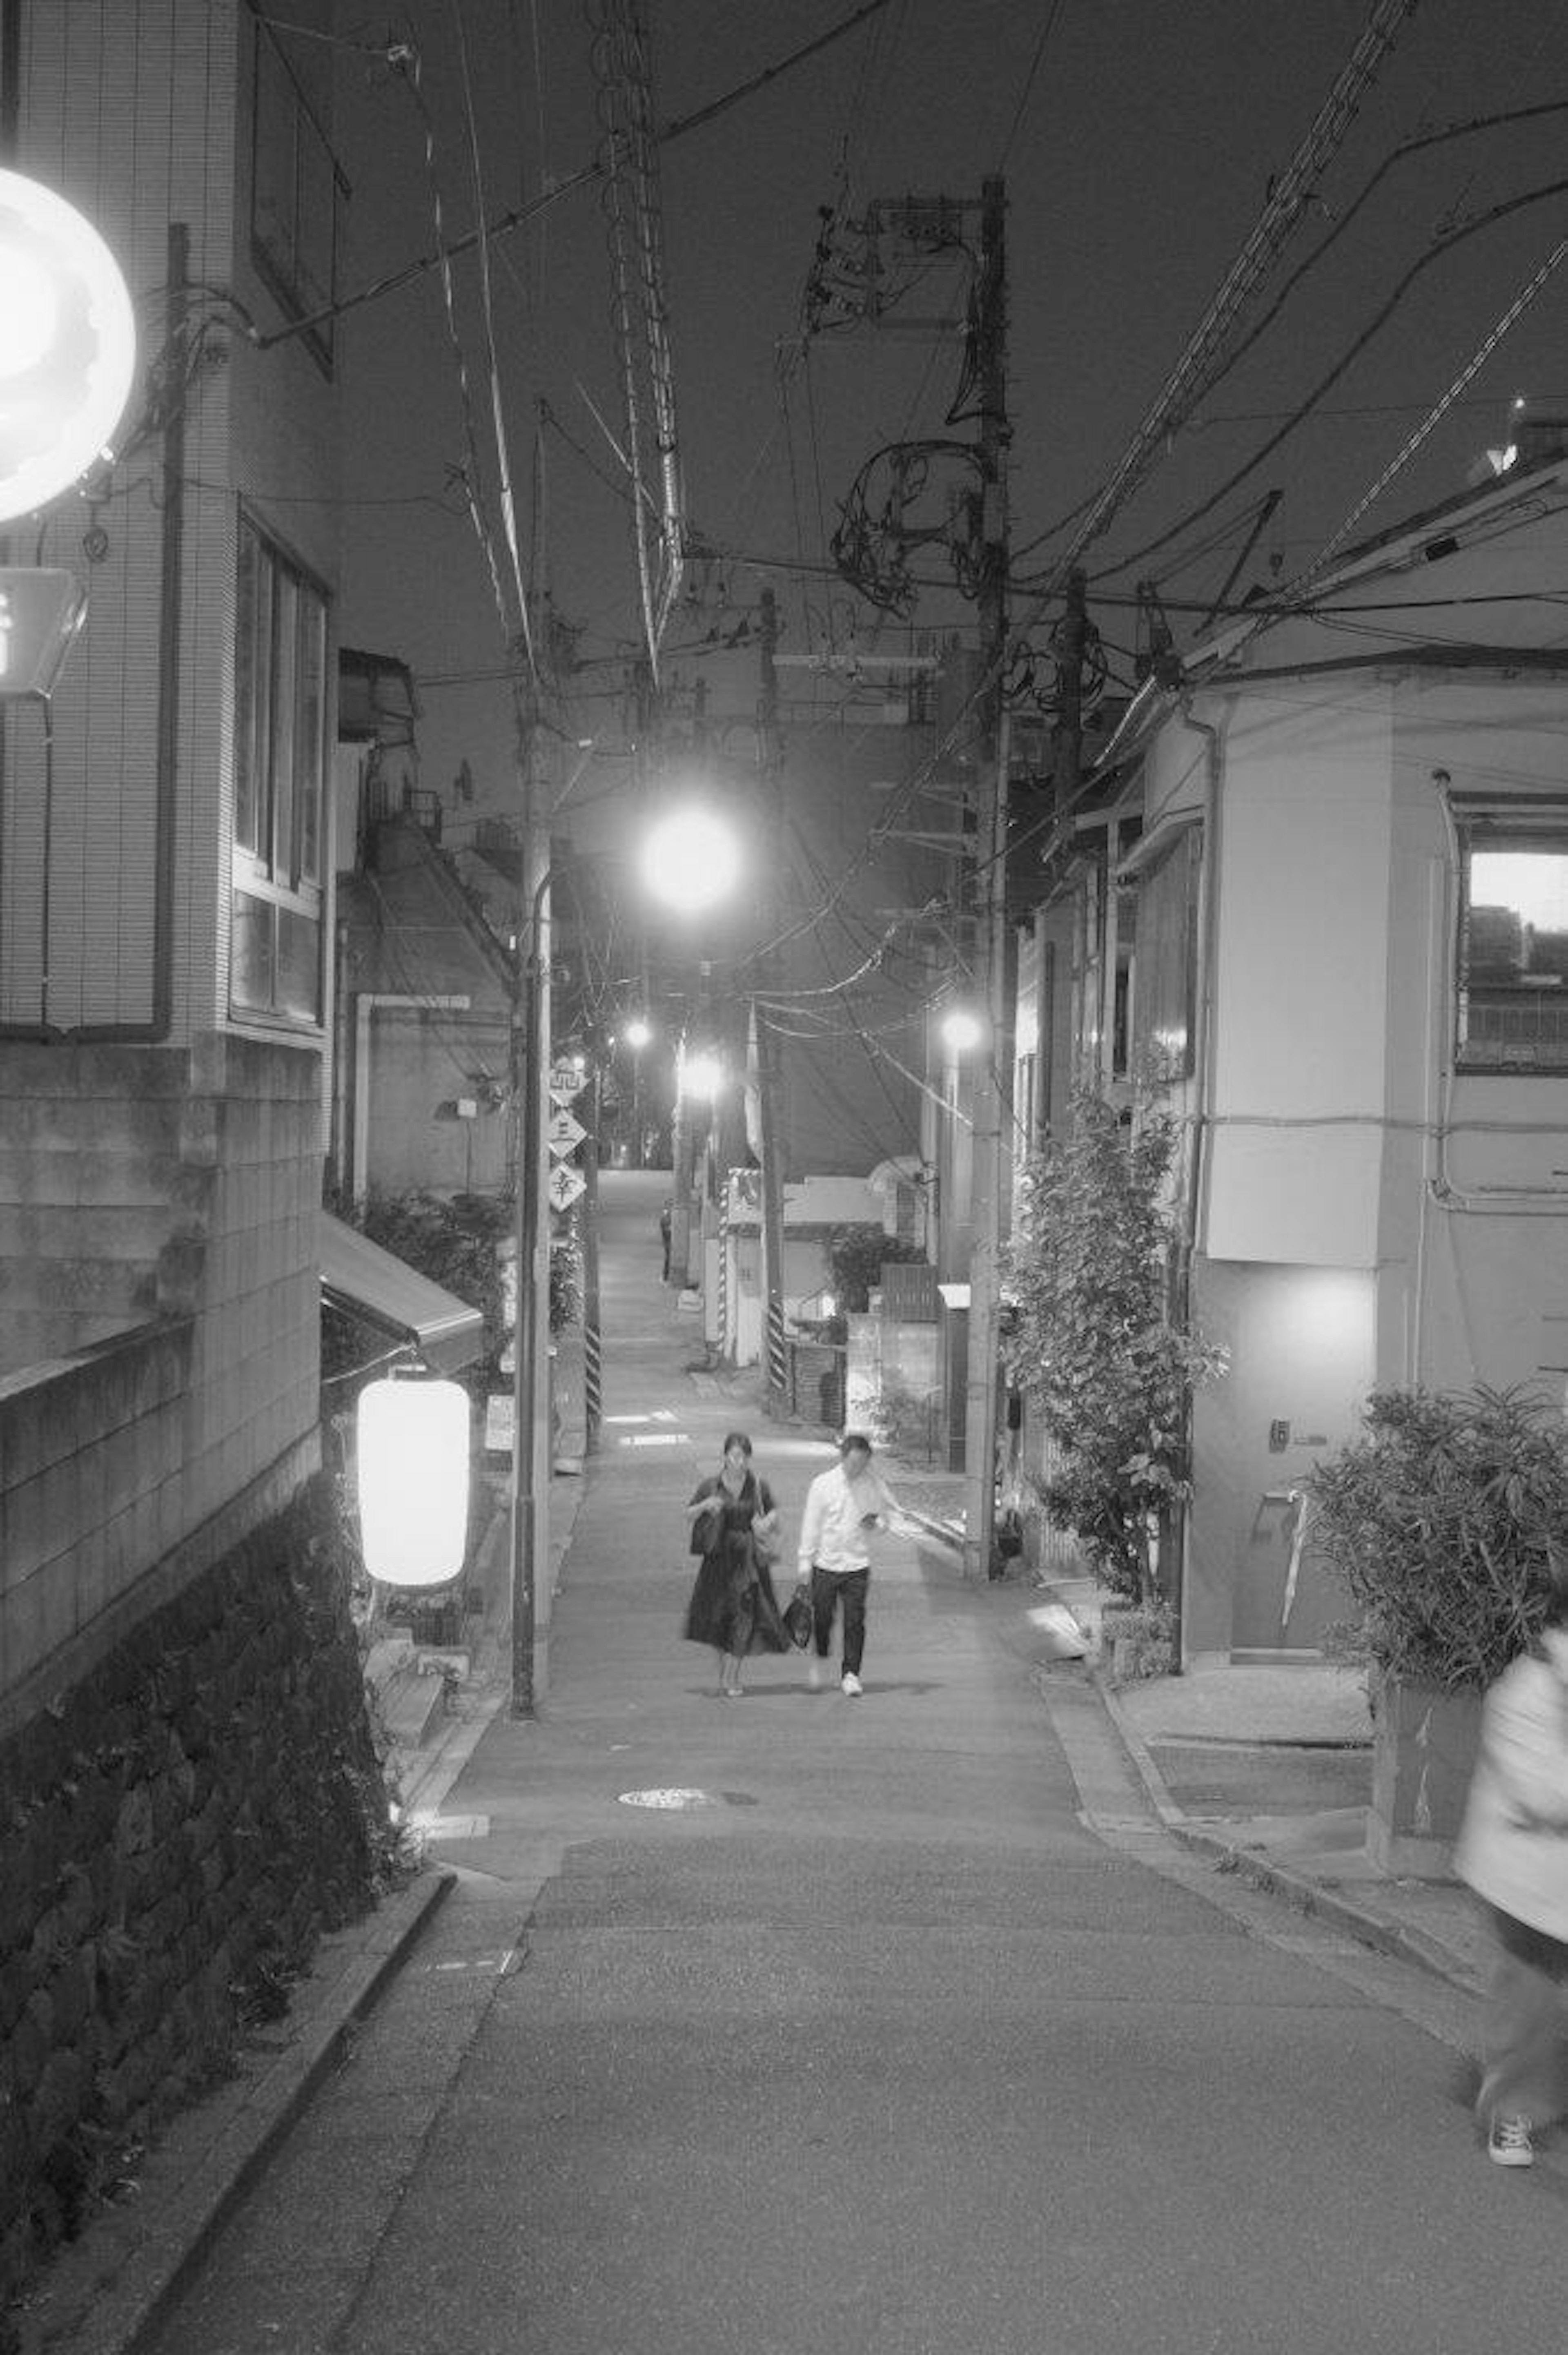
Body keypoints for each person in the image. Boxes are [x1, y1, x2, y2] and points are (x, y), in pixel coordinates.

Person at [1453, 1571, 1568, 2168]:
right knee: (1529, 2004)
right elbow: (1543, 1794)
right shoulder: (1526, 1693)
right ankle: (1512, 2117)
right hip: (1527, 1888)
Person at [795, 1431, 902, 1697]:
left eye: (863, 1464)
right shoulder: (822, 1485)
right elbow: (812, 1524)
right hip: (825, 1563)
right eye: (853, 1463)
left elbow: (886, 1521)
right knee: (822, 1619)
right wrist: (804, 1563)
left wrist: (876, 1525)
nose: (858, 1468)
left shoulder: (872, 1485)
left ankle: (851, 1674)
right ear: (843, 1458)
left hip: (857, 1564)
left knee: (855, 1621)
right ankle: (818, 1663)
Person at [683, 1432, 788, 1696]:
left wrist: (767, 1522)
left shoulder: (758, 1486)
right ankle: (726, 1673)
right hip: (718, 1561)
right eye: (734, 1456)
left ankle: (733, 1677)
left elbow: (774, 1512)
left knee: (745, 1617)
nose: (739, 1462)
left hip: (749, 1561)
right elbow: (688, 1514)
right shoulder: (711, 1486)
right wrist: (706, 1505)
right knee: (719, 1618)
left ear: (749, 1458)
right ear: (725, 1457)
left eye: (744, 1457)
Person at [659, 1198, 673, 1281]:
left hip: (669, 1241)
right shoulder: (665, 1218)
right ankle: (666, 1276)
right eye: (670, 1206)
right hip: (668, 1242)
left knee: (668, 1258)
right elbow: (666, 1230)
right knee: (668, 1258)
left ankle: (666, 1276)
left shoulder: (667, 1217)